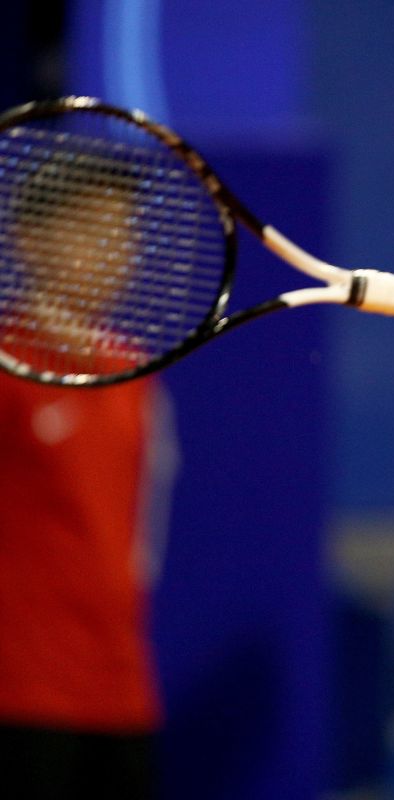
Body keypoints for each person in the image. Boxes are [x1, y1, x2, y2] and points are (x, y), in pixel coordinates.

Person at [0, 149, 177, 799]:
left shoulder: (137, 374)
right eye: (87, 228)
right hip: (17, 694)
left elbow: (139, 543)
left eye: (121, 230)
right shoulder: (6, 368)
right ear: (29, 241)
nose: (111, 249)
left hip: (121, 692)